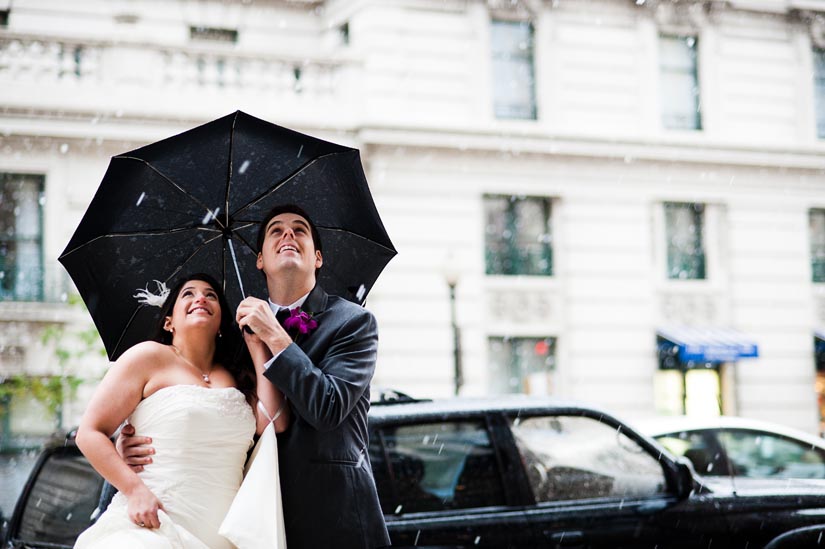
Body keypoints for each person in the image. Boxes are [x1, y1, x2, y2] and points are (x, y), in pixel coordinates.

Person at [74, 273, 288, 549]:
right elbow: (89, 433)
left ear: (222, 322)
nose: (201, 297)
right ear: (169, 322)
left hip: (222, 537)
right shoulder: (147, 357)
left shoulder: (239, 377)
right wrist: (134, 490)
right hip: (155, 524)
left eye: (211, 295)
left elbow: (275, 422)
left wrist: (257, 345)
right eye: (188, 293)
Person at [234, 204, 390, 549]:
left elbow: (327, 407)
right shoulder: (236, 333)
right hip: (256, 520)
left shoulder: (354, 323)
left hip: (335, 518)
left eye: (299, 229)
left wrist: (276, 336)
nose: (287, 234)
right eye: (276, 230)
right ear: (259, 260)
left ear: (317, 258)